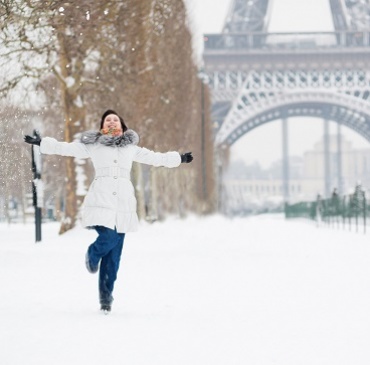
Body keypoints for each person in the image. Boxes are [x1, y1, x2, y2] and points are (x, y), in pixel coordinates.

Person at [24, 109, 193, 314]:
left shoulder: (131, 148)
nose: (112, 122)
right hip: (101, 201)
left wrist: (179, 158)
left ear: (122, 126)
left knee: (114, 257)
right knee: (109, 238)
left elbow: (156, 158)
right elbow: (67, 148)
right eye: (108, 120)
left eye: (115, 119)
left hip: (123, 205)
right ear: (103, 126)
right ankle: (92, 254)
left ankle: (106, 298)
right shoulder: (94, 145)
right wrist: (43, 143)